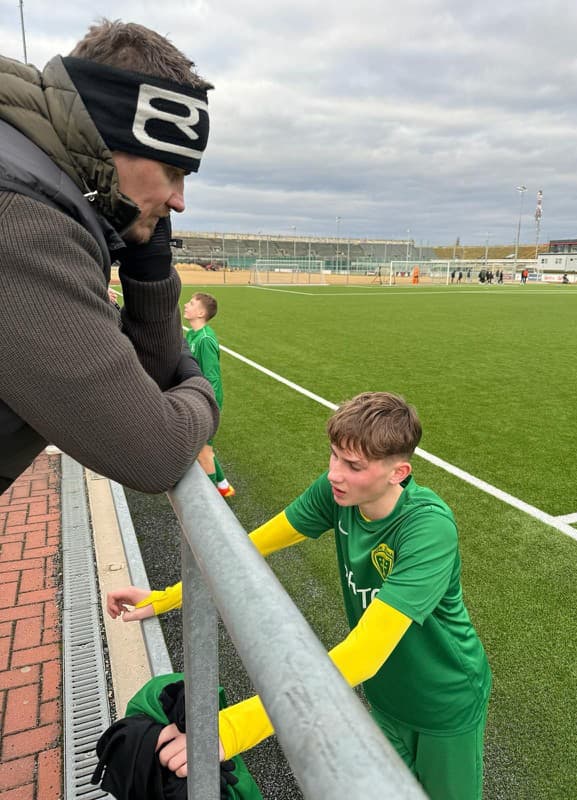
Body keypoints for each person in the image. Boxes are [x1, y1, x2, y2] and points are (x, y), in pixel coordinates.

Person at [108, 392, 492, 800]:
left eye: (353, 466)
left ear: (399, 472)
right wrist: (167, 597)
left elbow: (365, 652)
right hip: (384, 696)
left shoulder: (427, 529)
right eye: (334, 457)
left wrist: (235, 726)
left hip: (445, 700)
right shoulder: (338, 495)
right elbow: (243, 549)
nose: (335, 474)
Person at [0, 20, 220, 494]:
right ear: (110, 137)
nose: (179, 200)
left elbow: (150, 375)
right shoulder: (23, 216)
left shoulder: (37, 184)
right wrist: (203, 390)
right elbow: (154, 453)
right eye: (172, 171)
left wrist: (151, 268)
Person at [183, 293, 235, 497]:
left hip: (206, 400)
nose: (186, 305)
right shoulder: (192, 335)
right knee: (204, 447)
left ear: (201, 313)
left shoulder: (205, 339)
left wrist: (207, 404)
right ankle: (223, 486)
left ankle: (212, 500)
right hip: (197, 397)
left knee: (203, 450)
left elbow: (212, 376)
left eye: (192, 303)